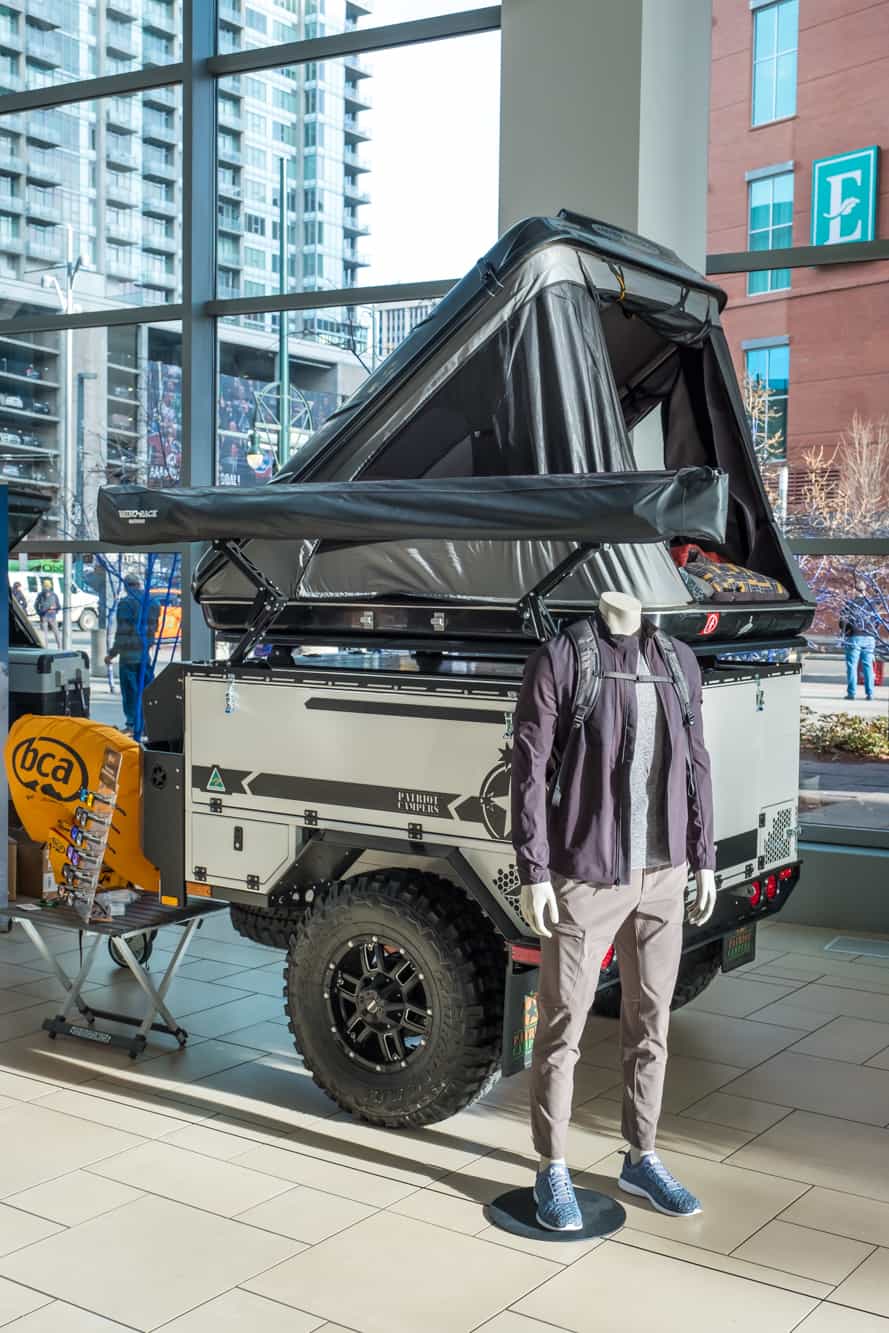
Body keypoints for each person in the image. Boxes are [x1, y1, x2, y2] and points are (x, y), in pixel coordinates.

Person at [511, 591, 717, 1231]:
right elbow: (529, 765)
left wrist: (703, 857)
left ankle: (641, 1156)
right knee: (562, 1026)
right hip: (586, 874)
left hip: (665, 875)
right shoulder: (563, 656)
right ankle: (552, 1166)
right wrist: (535, 869)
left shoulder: (679, 660)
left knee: (652, 1023)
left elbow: (697, 763)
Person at [104, 572, 159, 736]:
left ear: (126, 586)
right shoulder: (153, 602)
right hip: (145, 657)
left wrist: (111, 654)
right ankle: (147, 725)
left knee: (130, 694)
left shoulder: (126, 604)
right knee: (146, 693)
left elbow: (122, 634)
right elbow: (153, 630)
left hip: (128, 658)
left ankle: (132, 726)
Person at [840, 580, 876, 701]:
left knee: (852, 666)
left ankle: (852, 693)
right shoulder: (872, 604)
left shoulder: (850, 604)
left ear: (855, 590)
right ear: (865, 590)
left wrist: (845, 632)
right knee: (868, 666)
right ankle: (870, 693)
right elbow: (876, 622)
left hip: (854, 636)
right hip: (870, 636)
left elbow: (842, 622)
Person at [34, 577, 61, 648]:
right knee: (55, 633)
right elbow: (59, 606)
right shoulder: (54, 595)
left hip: (45, 616)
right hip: (50, 616)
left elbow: (36, 605)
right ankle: (59, 647)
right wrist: (54, 611)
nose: (46, 588)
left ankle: (46, 648)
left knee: (45, 634)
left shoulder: (41, 595)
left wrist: (39, 613)